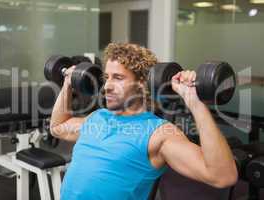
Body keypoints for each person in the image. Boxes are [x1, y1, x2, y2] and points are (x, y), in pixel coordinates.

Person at [50, 43, 238, 200]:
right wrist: (68, 83)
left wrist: (195, 102)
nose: (107, 86)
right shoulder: (98, 117)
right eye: (107, 78)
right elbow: (58, 128)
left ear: (142, 83)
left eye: (118, 78)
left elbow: (222, 176)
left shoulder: (158, 133)